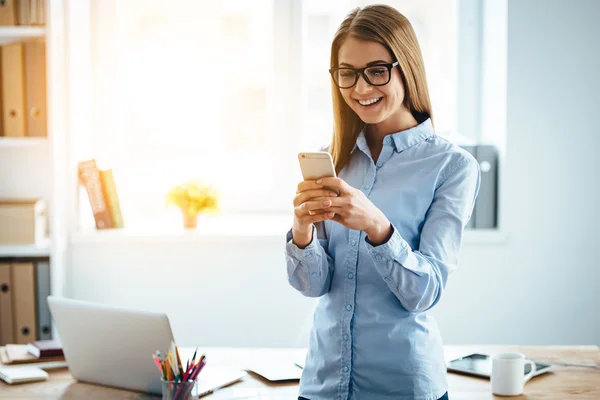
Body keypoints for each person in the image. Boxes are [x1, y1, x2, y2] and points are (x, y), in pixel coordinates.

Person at [285, 4, 481, 400]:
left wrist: (377, 227)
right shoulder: (333, 158)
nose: (360, 88)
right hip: (323, 384)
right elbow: (314, 285)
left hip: (403, 386)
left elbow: (424, 294)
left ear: (405, 67)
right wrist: (302, 232)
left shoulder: (453, 167)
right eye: (347, 74)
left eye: (376, 70)